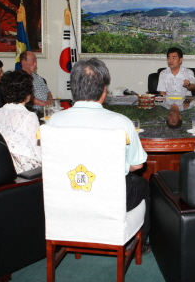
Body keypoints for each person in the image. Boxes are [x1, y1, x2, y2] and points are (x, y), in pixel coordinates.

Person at [48, 58, 151, 255]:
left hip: (69, 196)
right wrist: (117, 165)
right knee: (144, 185)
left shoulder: (54, 121)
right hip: (111, 199)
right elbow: (138, 165)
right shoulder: (121, 122)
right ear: (104, 90)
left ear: (73, 88)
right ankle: (139, 244)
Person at [0, 70, 41, 174]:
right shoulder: (29, 116)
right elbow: (37, 151)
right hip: (22, 170)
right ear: (27, 92)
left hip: (2, 164)